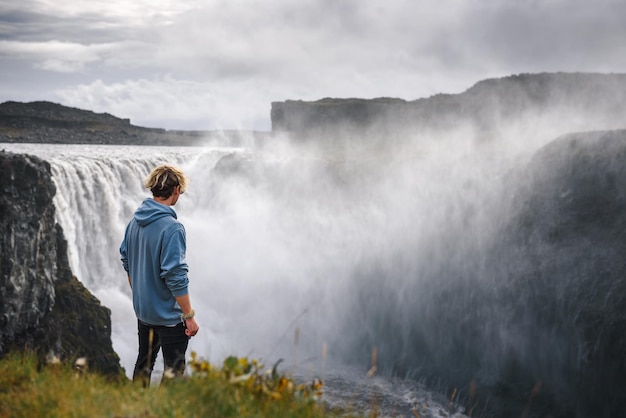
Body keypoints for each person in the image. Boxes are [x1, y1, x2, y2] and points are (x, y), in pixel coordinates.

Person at [120, 164, 199, 386]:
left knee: (143, 364)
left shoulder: (133, 223)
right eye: (180, 191)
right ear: (174, 190)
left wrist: (144, 295)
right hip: (169, 317)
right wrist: (188, 316)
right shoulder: (172, 228)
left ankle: (136, 408)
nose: (179, 196)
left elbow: (127, 262)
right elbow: (175, 275)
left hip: (144, 312)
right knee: (173, 371)